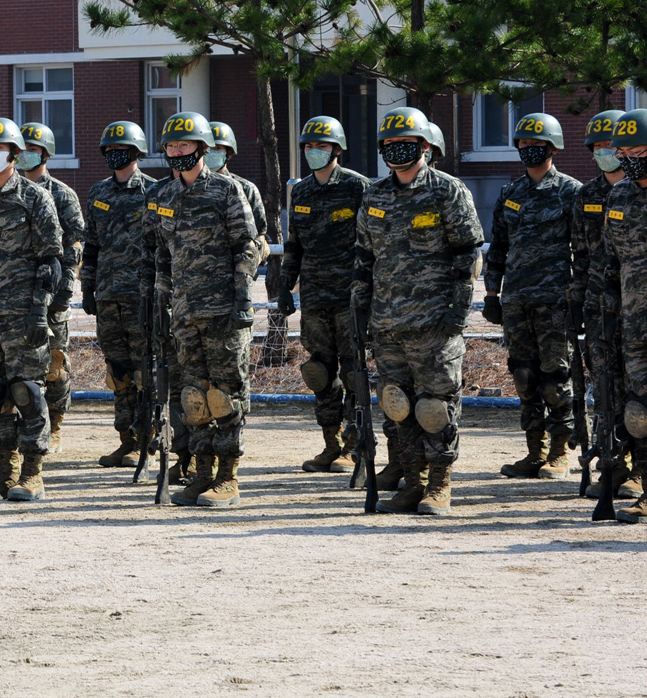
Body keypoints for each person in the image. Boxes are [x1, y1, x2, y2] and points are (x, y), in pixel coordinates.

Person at [353, 107, 484, 517]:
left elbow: (467, 257)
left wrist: (457, 316)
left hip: (435, 324)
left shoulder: (448, 191)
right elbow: (363, 258)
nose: (397, 150)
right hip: (387, 324)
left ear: (425, 146)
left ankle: (440, 486)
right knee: (398, 406)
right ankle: (412, 482)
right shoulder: (374, 195)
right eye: (390, 144)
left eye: (406, 142)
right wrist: (360, 309)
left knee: (435, 406)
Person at [151, 112, 261, 508]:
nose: (177, 152)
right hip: (183, 313)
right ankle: (201, 474)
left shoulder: (227, 191)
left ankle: (228, 479)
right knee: (194, 396)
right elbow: (162, 254)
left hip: (223, 312)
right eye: (171, 146)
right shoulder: (163, 196)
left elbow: (247, 247)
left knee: (225, 395)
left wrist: (243, 298)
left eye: (183, 145)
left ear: (202, 148)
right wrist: (164, 301)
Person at [0, 118, 63, 501]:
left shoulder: (35, 198)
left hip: (22, 314)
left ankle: (33, 474)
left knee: (27, 392)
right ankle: (6, 471)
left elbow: (51, 260)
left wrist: (39, 311)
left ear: (15, 154)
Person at [483, 113, 583, 482]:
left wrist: (579, 297)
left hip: (555, 300)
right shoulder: (510, 194)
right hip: (517, 299)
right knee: (524, 377)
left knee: (555, 378)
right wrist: (492, 293)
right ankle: (534, 452)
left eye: (535, 144)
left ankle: (560, 454)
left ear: (553, 147)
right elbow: (498, 248)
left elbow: (583, 248)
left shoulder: (571, 192)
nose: (528, 150)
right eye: (523, 144)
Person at [279, 116, 371, 476]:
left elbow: (370, 243)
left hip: (350, 297)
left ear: (337, 149)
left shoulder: (358, 188)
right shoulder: (300, 191)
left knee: (353, 373)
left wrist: (369, 291)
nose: (313, 152)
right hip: (315, 298)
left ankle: (353, 444)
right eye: (308, 146)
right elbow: (294, 244)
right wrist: (286, 287)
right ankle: (330, 443)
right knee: (319, 372)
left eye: (320, 146)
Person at [81, 121, 155, 468]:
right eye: (109, 150)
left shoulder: (154, 192)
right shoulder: (97, 194)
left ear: (136, 152)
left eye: (120, 149)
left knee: (146, 371)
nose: (114, 154)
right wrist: (87, 285)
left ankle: (148, 441)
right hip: (109, 297)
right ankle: (127, 440)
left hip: (142, 299)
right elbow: (91, 246)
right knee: (119, 372)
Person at [572, 110, 635, 499]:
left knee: (637, 391)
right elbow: (580, 254)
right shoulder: (587, 195)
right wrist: (578, 302)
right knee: (606, 388)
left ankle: (639, 472)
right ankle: (614, 466)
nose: (606, 152)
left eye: (613, 146)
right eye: (598, 147)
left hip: (633, 305)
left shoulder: (635, 190)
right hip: (599, 307)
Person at [19, 121, 86, 453]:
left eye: (31, 151)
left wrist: (66, 285)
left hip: (53, 293)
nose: (24, 157)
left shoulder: (61, 194)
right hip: (16, 294)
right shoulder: (9, 189)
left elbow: (75, 244)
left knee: (54, 363)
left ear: (45, 154)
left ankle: (55, 424)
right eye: (21, 151)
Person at [604, 109, 647, 523]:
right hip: (634, 324)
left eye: (637, 150)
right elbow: (610, 264)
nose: (628, 158)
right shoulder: (620, 196)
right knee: (640, 411)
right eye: (624, 152)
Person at [207, 121, 269, 257]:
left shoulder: (246, 189)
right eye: (207, 149)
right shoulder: (188, 187)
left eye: (217, 148)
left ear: (229, 153)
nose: (210, 153)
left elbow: (259, 236)